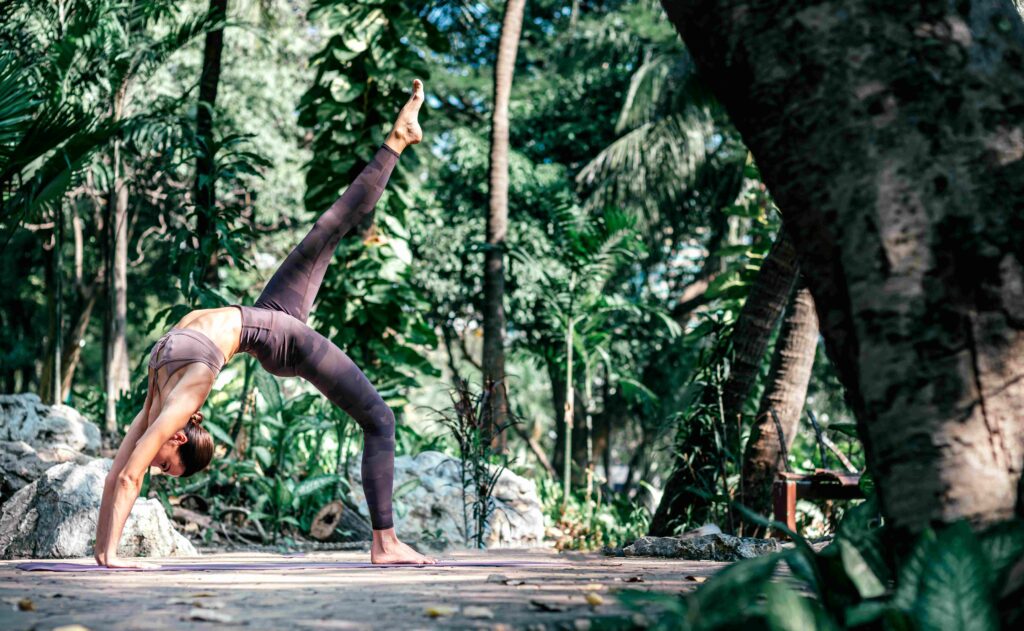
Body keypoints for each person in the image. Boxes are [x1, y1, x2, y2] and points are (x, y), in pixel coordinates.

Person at [94, 80, 434, 568]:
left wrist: (109, 555)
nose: (159, 471)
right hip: (267, 329)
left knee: (330, 228)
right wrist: (107, 554)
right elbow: (123, 472)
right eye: (165, 471)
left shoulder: (182, 394)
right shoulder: (166, 391)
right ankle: (386, 542)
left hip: (279, 330)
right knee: (379, 418)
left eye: (166, 467)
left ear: (180, 439)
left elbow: (124, 476)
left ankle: (398, 138)